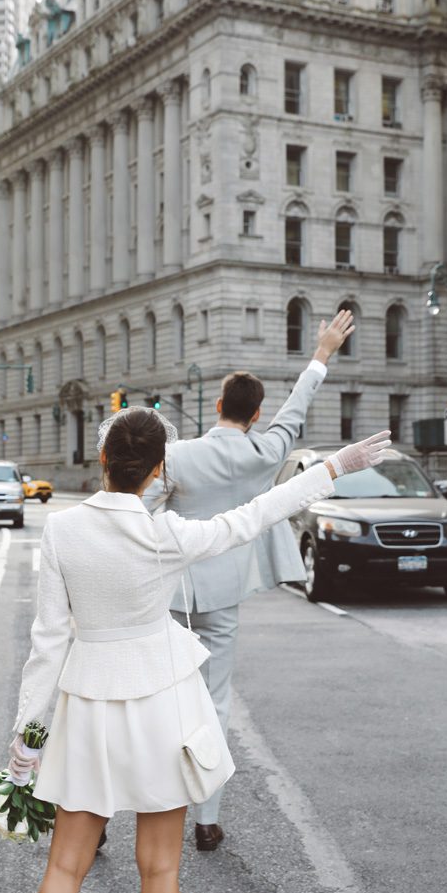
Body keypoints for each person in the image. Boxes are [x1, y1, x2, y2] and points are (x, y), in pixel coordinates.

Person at [0, 407, 390, 893]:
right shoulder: (166, 535)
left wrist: (28, 738)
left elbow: (49, 644)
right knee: (161, 870)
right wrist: (329, 468)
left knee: (64, 868)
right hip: (160, 708)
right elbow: (254, 515)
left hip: (88, 707)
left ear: (101, 463)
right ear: (158, 471)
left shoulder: (61, 530)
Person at [142, 308, 355, 852]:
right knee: (214, 700)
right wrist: (321, 353)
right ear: (256, 415)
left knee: (154, 697)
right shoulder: (268, 448)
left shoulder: (178, 455)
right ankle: (206, 818)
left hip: (174, 593)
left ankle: (129, 807)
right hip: (227, 593)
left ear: (217, 407)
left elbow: (142, 512)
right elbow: (298, 409)